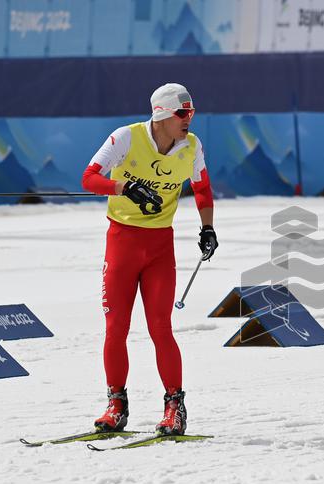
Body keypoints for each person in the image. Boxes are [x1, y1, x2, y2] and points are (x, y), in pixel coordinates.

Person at [80, 83, 218, 435]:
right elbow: (88, 179)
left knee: (161, 328)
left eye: (191, 112)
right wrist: (124, 188)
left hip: (159, 247)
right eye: (182, 114)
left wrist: (207, 229)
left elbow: (201, 189)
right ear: (161, 115)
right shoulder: (125, 138)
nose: (189, 119)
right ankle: (116, 404)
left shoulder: (192, 146)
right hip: (122, 243)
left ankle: (175, 407)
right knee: (116, 328)